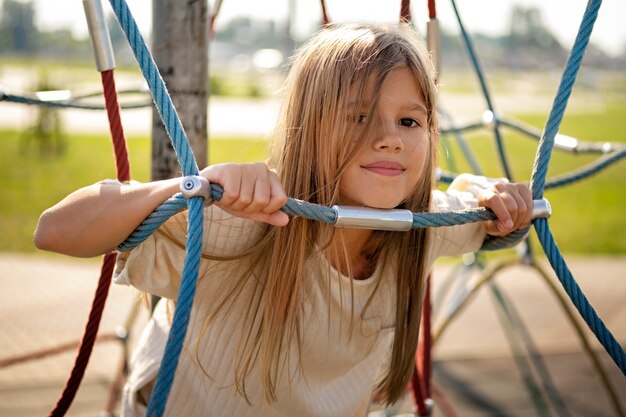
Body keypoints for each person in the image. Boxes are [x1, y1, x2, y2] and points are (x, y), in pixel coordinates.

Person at [34, 22, 533, 417]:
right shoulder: (245, 225)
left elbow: (492, 224)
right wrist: (189, 186)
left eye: (410, 120)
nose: (390, 138)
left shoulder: (424, 230)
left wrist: (506, 208)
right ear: (308, 127)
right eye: (358, 115)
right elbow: (53, 230)